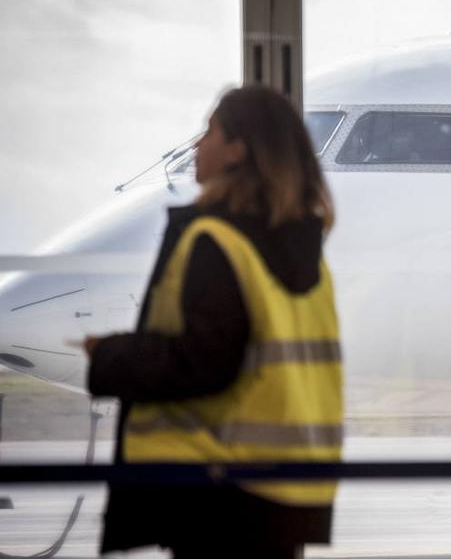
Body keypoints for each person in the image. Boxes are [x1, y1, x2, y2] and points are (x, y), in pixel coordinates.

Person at [83, 85, 341, 559]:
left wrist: (110, 355)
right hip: (286, 490)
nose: (198, 145)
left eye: (210, 131)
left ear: (238, 150)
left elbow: (205, 362)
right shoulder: (308, 256)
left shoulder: (216, 240)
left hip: (218, 489)